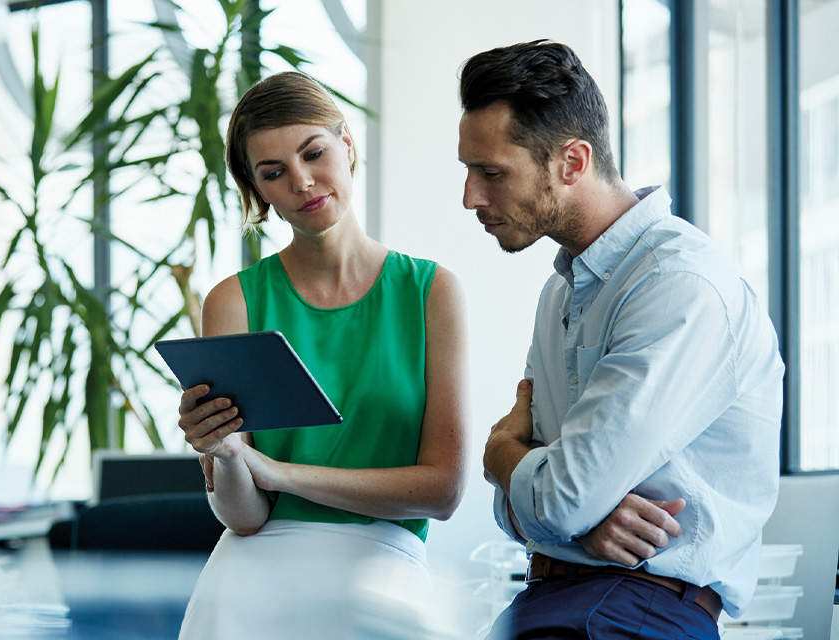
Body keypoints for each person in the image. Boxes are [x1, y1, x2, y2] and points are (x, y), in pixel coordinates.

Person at [458, 40, 785, 639]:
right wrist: (573, 521)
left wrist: (499, 455)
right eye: (469, 171)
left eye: (492, 173)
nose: (471, 198)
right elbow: (531, 510)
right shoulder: (560, 291)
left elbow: (552, 496)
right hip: (550, 598)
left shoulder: (678, 285)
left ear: (572, 162)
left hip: (639, 609)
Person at [175, 71, 469, 639]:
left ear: (348, 145)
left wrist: (277, 472)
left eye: (314, 153)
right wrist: (228, 454)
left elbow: (442, 490)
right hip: (251, 580)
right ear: (257, 190)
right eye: (273, 172)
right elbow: (246, 516)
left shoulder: (432, 292)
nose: (303, 182)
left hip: (384, 570)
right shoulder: (234, 300)